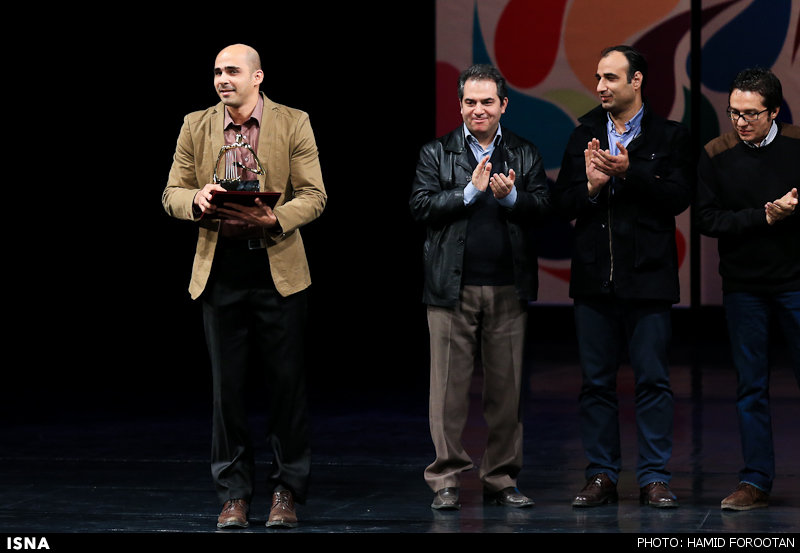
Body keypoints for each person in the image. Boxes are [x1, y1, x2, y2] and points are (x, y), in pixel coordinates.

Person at [162, 44, 326, 529]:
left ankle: (285, 491)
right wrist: (197, 198)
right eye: (217, 71)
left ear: (258, 77)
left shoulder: (293, 121)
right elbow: (171, 192)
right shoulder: (196, 124)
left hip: (277, 270)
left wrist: (277, 217)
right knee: (226, 391)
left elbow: (315, 195)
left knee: (286, 389)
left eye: (232, 71)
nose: (222, 79)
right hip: (221, 271)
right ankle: (234, 494)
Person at [552, 45, 692, 508]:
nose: (600, 86)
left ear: (637, 81)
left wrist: (632, 173)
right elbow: (562, 203)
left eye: (610, 78)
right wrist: (592, 188)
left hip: (649, 278)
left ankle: (654, 477)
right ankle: (601, 474)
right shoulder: (584, 134)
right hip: (594, 279)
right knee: (596, 384)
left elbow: (679, 196)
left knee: (653, 382)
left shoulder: (669, 136)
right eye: (598, 77)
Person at [409, 64, 551, 510]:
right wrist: (469, 193)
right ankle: (446, 480)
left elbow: (544, 208)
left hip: (508, 287)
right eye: (470, 102)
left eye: (487, 101)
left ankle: (501, 479)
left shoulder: (524, 152)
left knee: (506, 393)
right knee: (447, 393)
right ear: (460, 106)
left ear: (503, 105)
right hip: (450, 290)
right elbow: (420, 206)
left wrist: (511, 198)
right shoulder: (437, 152)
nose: (479, 109)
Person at [695, 67, 800, 511]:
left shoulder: (796, 146)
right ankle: (755, 480)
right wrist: (765, 216)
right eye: (734, 112)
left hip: (796, 282)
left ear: (774, 111)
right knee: (750, 387)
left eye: (751, 114)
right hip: (743, 287)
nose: (740, 122)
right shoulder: (716, 153)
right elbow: (707, 219)